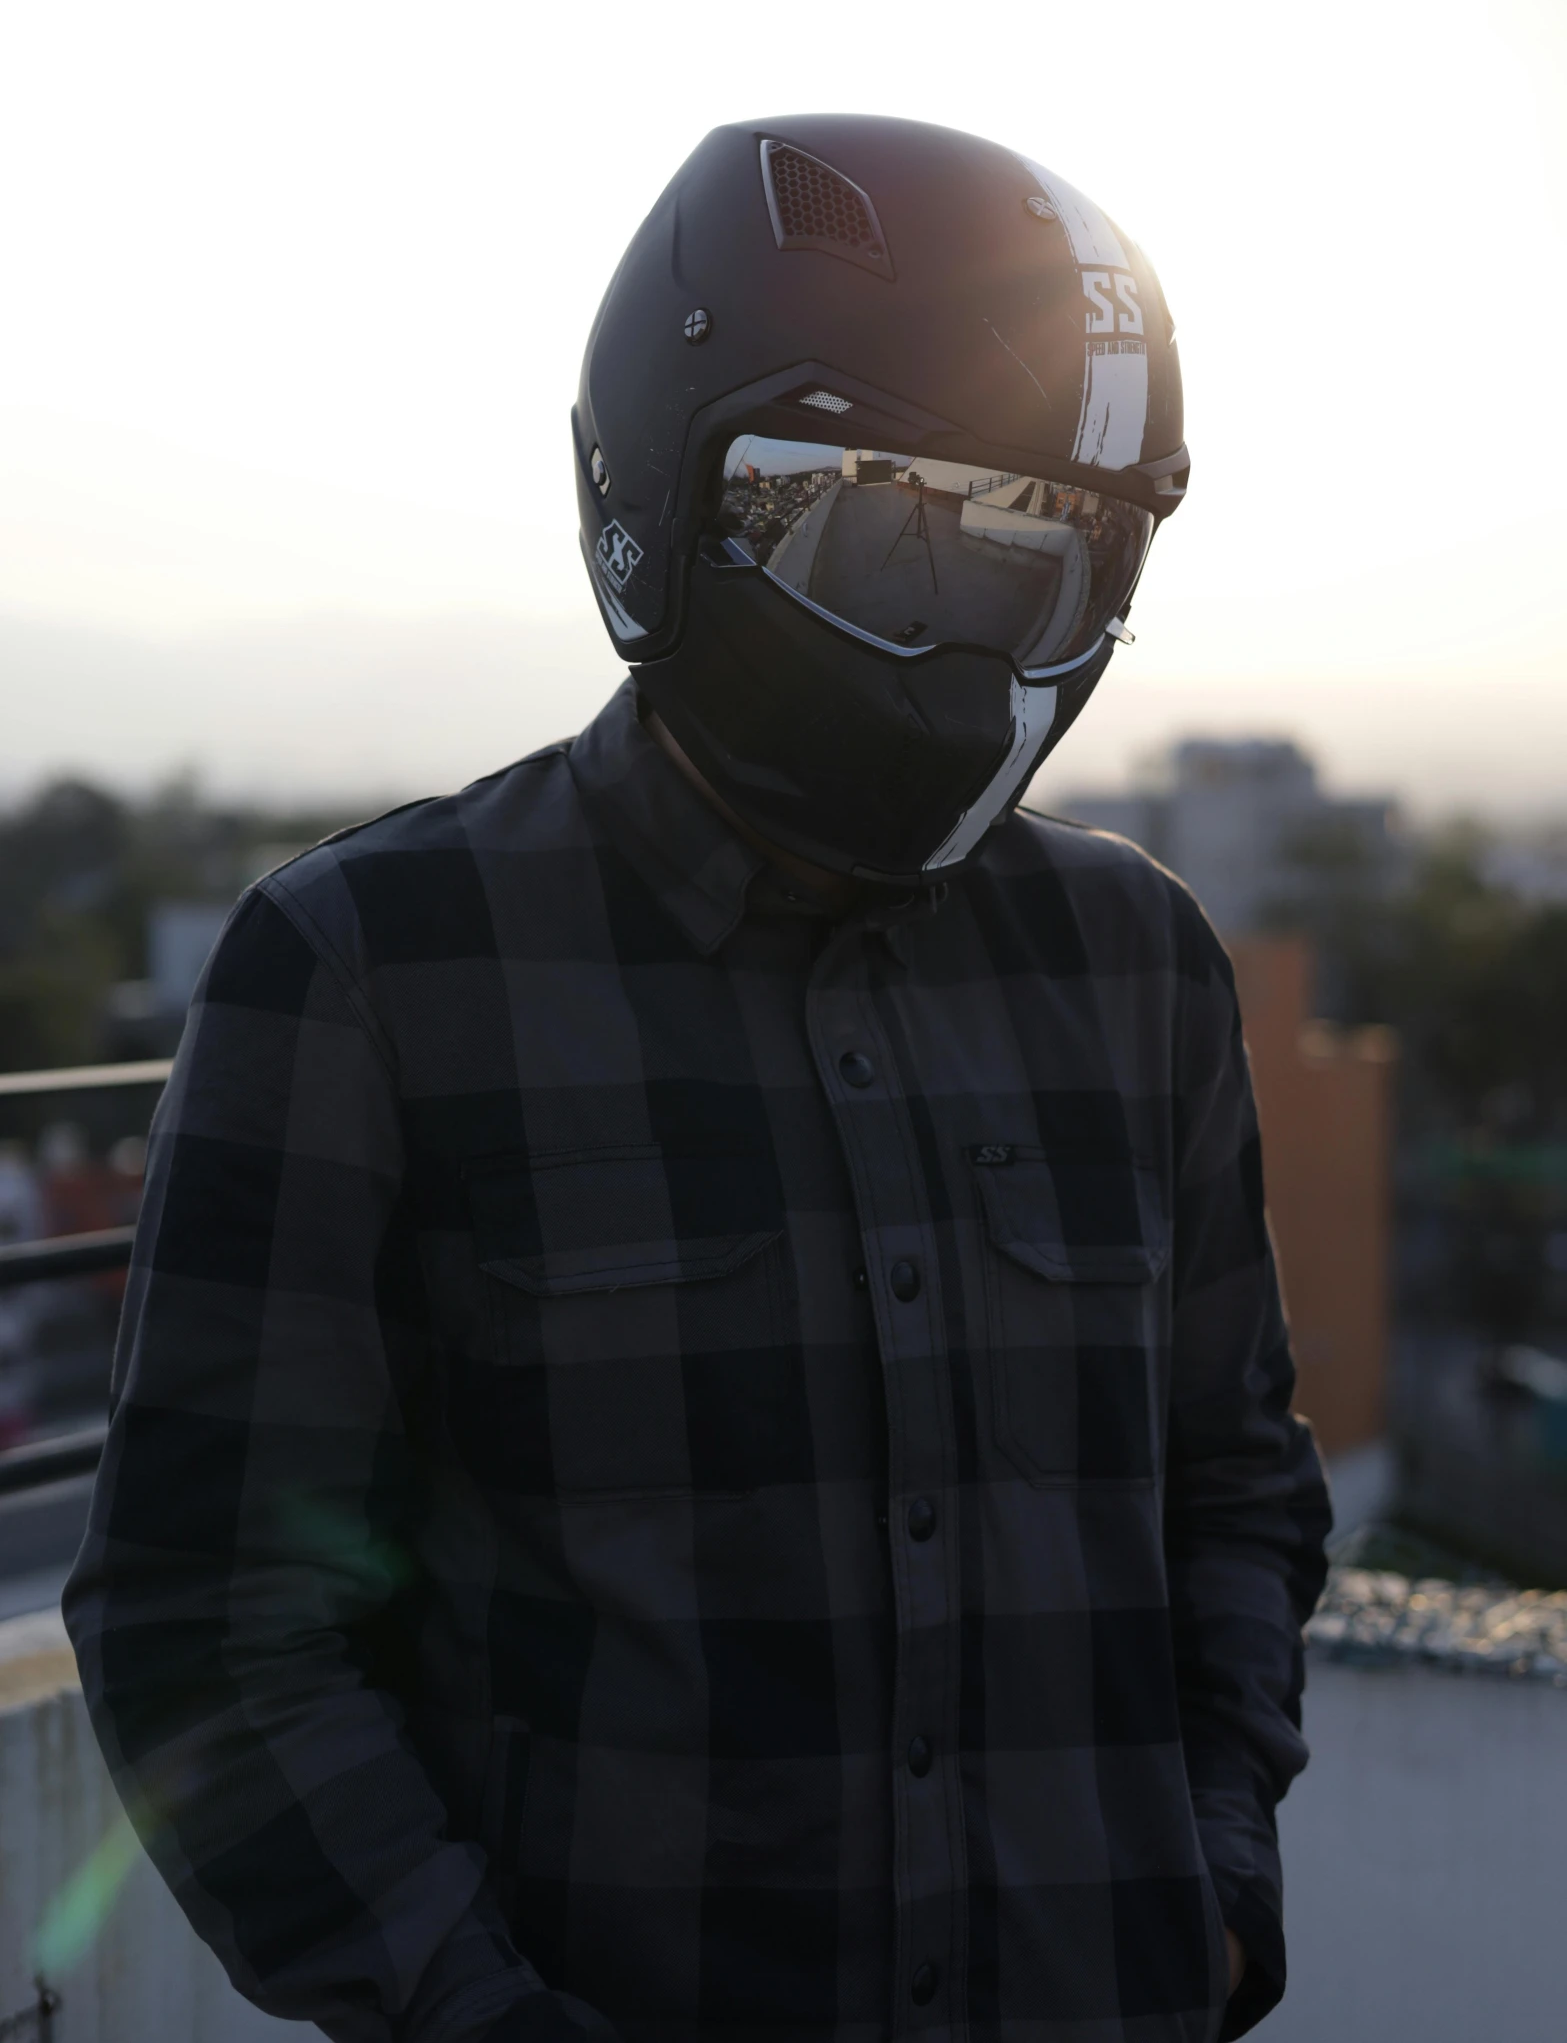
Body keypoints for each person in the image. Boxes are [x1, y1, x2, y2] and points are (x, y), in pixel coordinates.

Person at [66, 116, 1330, 2043]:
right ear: (666, 477)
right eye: (881, 526)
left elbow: (1233, 1483)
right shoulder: (369, 969)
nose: (976, 631)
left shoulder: (1133, 960)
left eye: (1048, 555)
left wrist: (1213, 1887)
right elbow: (210, 1621)